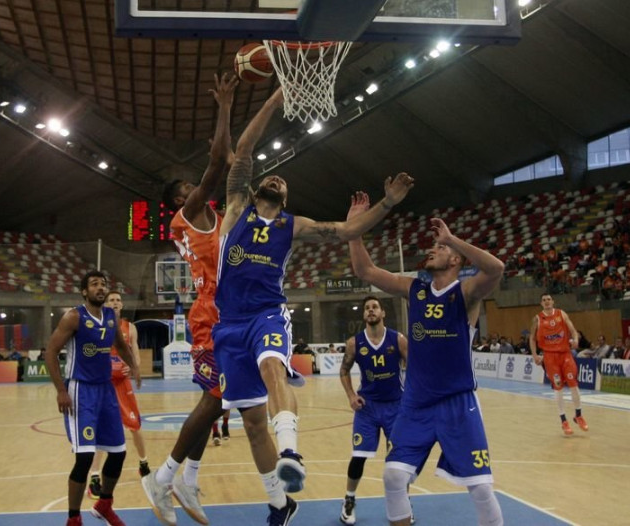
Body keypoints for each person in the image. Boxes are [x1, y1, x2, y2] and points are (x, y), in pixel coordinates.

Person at [213, 102, 414, 526]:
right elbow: (245, 149)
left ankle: (291, 451)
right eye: (272, 176)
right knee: (250, 425)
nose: (277, 179)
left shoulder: (293, 225)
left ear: (287, 199)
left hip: (267, 314)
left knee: (273, 366)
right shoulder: (235, 209)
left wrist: (387, 203)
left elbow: (345, 231)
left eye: (283, 182)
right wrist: (274, 97)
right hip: (228, 324)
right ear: (255, 189)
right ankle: (280, 504)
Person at [347, 195, 504, 526]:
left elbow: (496, 268)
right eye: (434, 246)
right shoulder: (415, 290)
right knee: (392, 477)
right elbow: (364, 270)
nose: (432, 249)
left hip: (457, 402)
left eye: (440, 248)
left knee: (480, 487)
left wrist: (452, 239)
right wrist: (354, 228)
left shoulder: (465, 293)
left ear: (456, 261)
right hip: (416, 404)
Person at [142, 72, 241, 526]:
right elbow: (219, 164)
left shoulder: (207, 217)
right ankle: (162, 479)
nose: (193, 192)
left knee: (217, 401)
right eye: (185, 191)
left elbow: (226, 163)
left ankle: (187, 477)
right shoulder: (189, 215)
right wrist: (224, 107)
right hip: (210, 314)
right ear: (179, 202)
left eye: (192, 188)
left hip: (228, 311)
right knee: (215, 400)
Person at [44, 270, 140, 526]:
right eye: (94, 284)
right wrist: (61, 391)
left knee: (118, 453)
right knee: (85, 458)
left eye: (103, 284)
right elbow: (50, 352)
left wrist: (134, 366)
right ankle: (74, 518)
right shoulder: (74, 317)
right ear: (84, 291)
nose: (100, 288)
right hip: (80, 391)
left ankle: (104, 504)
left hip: (106, 390)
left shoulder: (110, 316)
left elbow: (120, 344)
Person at [338, 295, 408, 525]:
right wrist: (351, 396)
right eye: (367, 308)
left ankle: (403, 504)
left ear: (382, 313)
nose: (370, 310)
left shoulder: (398, 339)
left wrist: (412, 397)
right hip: (367, 407)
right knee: (359, 456)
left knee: (399, 461)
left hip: (395, 407)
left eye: (375, 307)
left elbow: (416, 369)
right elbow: (344, 371)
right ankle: (348, 500)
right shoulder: (354, 343)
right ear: (364, 315)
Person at [88, 291, 150, 501]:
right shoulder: (98, 325)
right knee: (100, 429)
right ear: (105, 305)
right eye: (110, 300)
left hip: (122, 383)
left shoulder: (129, 327)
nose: (114, 303)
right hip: (104, 382)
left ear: (121, 305)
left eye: (117, 300)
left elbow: (135, 353)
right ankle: (95, 477)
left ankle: (143, 463)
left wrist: (133, 369)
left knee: (135, 425)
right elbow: (93, 353)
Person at [530, 293, 588, 436]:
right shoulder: (537, 318)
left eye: (549, 299)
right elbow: (532, 338)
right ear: (541, 303)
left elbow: (574, 331)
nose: (547, 302)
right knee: (558, 387)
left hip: (565, 354)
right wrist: (534, 355)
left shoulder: (561, 314)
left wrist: (575, 340)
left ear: (553, 301)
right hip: (550, 357)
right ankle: (563, 420)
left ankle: (578, 415)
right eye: (544, 300)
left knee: (573, 383)